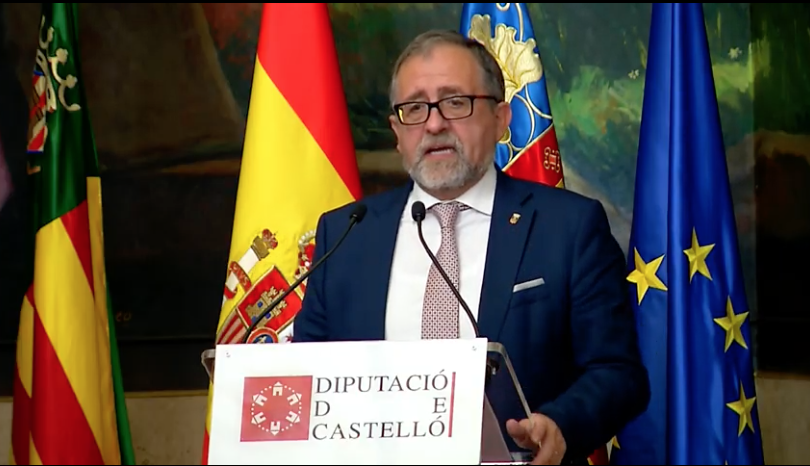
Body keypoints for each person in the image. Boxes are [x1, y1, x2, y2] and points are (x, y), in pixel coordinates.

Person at [293, 29, 650, 465]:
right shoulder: (347, 234)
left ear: (500, 119)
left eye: (455, 102)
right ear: (397, 131)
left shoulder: (568, 227)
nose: (434, 124)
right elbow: (306, 374)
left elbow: (617, 373)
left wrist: (560, 425)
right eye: (414, 108)